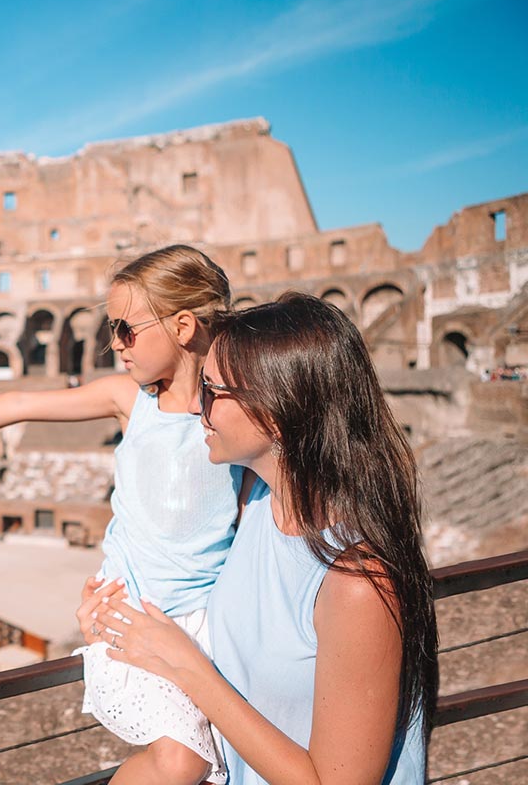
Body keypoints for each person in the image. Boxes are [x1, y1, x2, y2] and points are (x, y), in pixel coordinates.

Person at [0, 245, 241, 784]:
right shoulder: (128, 401)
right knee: (184, 761)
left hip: (211, 622)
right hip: (131, 613)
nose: (115, 344)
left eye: (126, 329)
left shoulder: (237, 411)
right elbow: (19, 403)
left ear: (183, 326)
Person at [91, 293, 438, 784]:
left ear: (274, 411)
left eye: (210, 390)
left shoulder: (358, 581)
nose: (194, 406)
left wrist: (190, 669)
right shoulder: (255, 503)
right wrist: (111, 615)